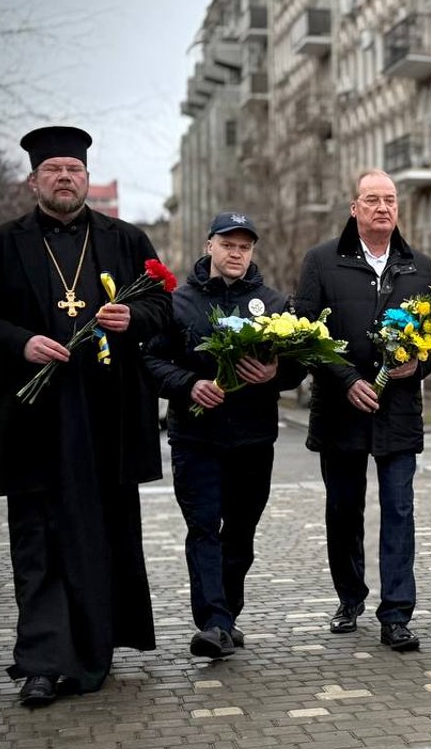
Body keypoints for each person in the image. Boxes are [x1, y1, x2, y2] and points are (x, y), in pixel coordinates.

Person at [0, 126, 172, 706]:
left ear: (86, 178)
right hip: (36, 419)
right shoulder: (1, 243)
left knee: (102, 537)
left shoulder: (126, 238)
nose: (64, 178)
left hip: (108, 419)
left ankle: (95, 652)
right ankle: (45, 662)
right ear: (33, 180)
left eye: (73, 170)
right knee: (39, 540)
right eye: (52, 170)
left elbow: (162, 305)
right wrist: (21, 343)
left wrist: (135, 319)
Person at [143, 212, 304, 658]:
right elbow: (150, 364)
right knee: (203, 529)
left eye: (244, 246)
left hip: (253, 439)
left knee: (241, 532)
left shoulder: (274, 304)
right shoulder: (176, 302)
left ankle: (227, 614)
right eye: (228, 244)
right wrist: (188, 384)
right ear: (208, 245)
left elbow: (298, 365)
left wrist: (276, 371)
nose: (236, 253)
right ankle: (212, 622)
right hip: (195, 438)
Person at [295, 170, 431, 652]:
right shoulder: (321, 261)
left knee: (399, 509)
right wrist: (347, 379)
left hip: (398, 412)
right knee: (343, 509)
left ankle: (396, 613)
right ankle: (349, 597)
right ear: (354, 208)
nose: (383, 208)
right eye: (372, 200)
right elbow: (304, 336)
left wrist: (418, 365)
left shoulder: (419, 265)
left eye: (390, 200)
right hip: (341, 410)